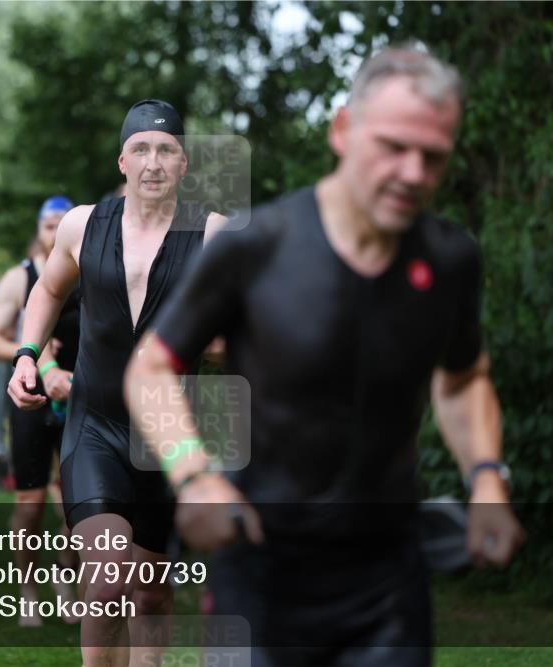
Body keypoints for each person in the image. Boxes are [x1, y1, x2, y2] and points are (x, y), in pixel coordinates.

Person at [124, 46, 526, 666]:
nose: (413, 172)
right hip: (259, 565)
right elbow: (152, 366)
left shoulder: (450, 260)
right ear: (343, 130)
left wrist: (488, 479)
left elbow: (463, 378)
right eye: (393, 147)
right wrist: (193, 475)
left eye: (433, 156)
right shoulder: (256, 246)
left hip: (386, 580)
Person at [8, 100, 226, 667]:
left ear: (184, 163)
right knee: (107, 580)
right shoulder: (82, 225)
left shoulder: (213, 234)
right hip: (95, 428)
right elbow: (48, 290)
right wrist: (28, 355)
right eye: (141, 149)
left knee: (150, 592)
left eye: (167, 150)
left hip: (168, 437)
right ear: (122, 162)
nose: (154, 162)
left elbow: (241, 329)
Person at [0, 195, 80, 627]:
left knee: (79, 506)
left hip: (80, 397)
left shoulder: (91, 273)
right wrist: (28, 352)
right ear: (38, 230)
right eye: (48, 226)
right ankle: (28, 590)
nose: (55, 233)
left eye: (62, 225)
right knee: (31, 502)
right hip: (31, 400)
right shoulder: (20, 278)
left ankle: (64, 575)